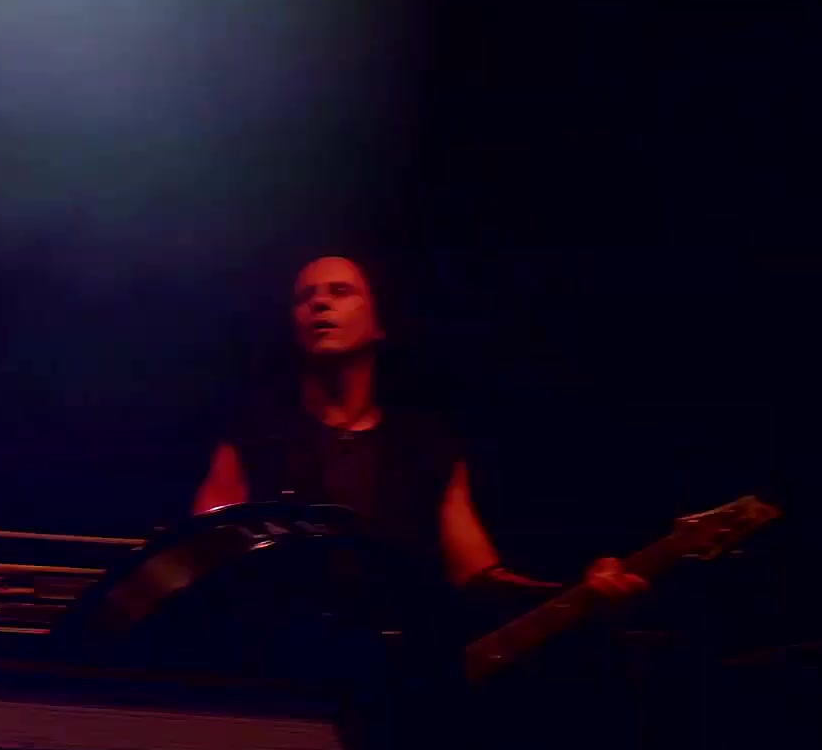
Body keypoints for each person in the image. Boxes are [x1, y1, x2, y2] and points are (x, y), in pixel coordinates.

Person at [194, 254, 643, 600]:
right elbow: (197, 558)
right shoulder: (253, 436)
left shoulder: (426, 450)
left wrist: (576, 592)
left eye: (340, 291)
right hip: (277, 668)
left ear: (378, 324)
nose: (319, 303)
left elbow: (481, 579)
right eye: (304, 297)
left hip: (394, 669)